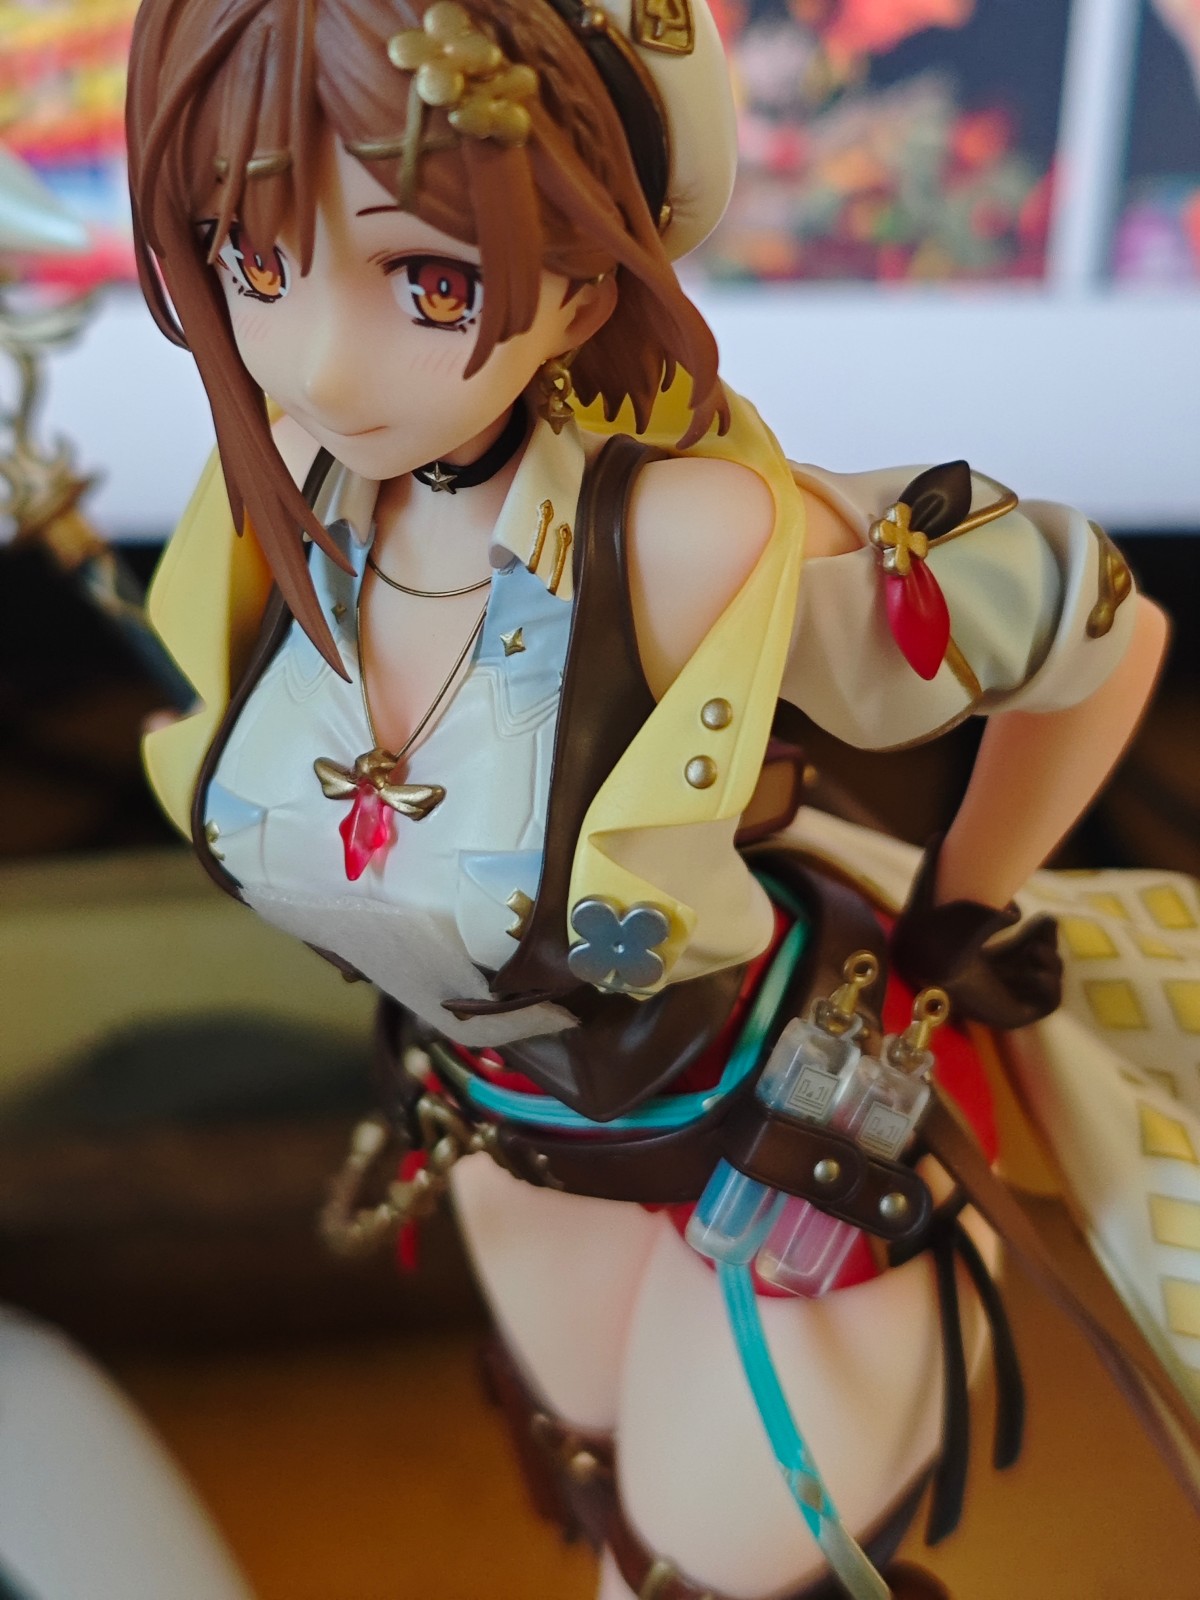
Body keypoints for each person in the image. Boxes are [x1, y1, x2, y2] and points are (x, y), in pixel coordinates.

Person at [125, 2, 1195, 1597]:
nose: (318, 358)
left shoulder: (686, 540)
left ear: (580, 281)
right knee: (598, 1519)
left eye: (430, 280)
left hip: (774, 1152)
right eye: (254, 257)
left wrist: (965, 908)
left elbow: (1092, 631)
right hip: (505, 1137)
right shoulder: (282, 494)